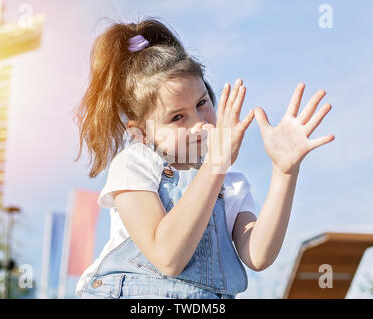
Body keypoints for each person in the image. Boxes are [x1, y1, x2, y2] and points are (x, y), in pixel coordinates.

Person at [73, 17, 334, 299]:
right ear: (141, 134)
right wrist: (217, 162)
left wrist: (285, 172)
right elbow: (168, 256)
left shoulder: (230, 184)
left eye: (201, 104)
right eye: (177, 117)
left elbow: (258, 255)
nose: (197, 122)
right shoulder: (136, 163)